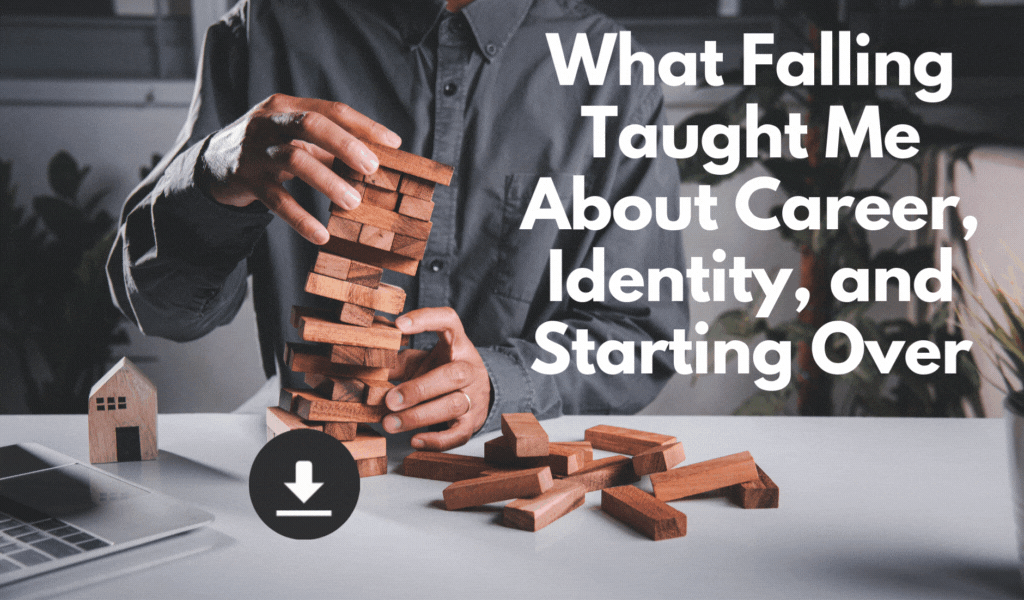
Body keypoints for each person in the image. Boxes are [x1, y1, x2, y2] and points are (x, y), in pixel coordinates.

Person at [107, 0, 688, 451]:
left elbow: (639, 335)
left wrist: (501, 382)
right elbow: (161, 310)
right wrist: (215, 170)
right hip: (311, 457)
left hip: (514, 464)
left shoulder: (613, 73)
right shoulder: (267, 29)